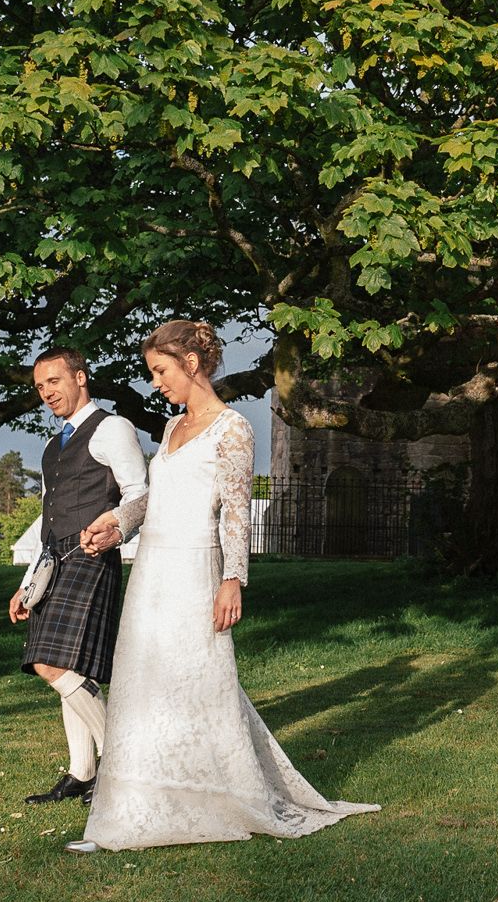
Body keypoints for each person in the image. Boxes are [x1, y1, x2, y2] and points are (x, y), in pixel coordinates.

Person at [66, 320, 377, 852]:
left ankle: (213, 795)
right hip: (151, 575)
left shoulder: (233, 428)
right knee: (142, 686)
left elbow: (235, 512)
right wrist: (114, 522)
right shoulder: (169, 429)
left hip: (195, 571)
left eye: (161, 371)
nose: (156, 383)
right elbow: (152, 501)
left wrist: (233, 579)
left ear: (191, 364)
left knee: (198, 681)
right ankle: (128, 811)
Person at [9, 347, 148, 806]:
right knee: (66, 669)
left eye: (53, 381)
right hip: (53, 562)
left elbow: (139, 493)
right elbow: (48, 522)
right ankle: (81, 773)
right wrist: (28, 584)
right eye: (40, 387)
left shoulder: (112, 428)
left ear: (80, 377)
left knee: (53, 665)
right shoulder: (52, 446)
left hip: (91, 555)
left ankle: (120, 761)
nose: (47, 393)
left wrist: (114, 530)